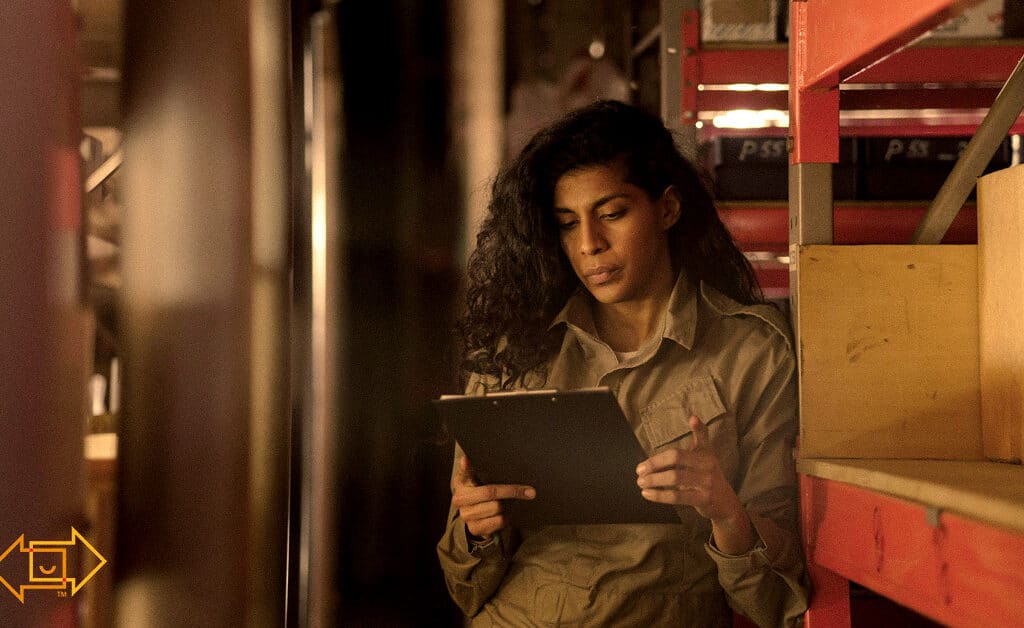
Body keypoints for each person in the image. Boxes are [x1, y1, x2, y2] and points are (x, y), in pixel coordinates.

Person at [436, 100, 807, 627]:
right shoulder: (514, 352)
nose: (590, 244)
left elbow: (779, 601)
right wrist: (476, 529)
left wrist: (725, 509)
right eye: (568, 224)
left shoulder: (751, 352)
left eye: (612, 214)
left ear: (667, 209)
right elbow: (463, 587)